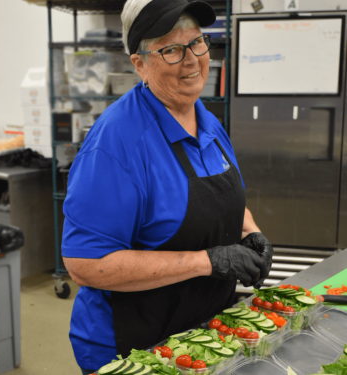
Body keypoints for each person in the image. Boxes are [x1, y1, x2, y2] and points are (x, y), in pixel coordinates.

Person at [61, 0, 274, 374]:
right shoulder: (116, 143)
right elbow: (85, 264)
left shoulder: (206, 119)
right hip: (132, 347)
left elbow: (222, 198)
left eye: (197, 42)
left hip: (201, 335)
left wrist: (251, 231)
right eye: (171, 49)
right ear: (139, 63)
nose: (192, 60)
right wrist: (209, 261)